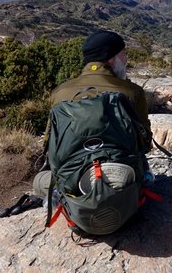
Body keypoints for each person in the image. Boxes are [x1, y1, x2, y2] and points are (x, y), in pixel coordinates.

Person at [31, 30, 153, 200]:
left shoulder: (59, 93)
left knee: (39, 181)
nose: (126, 59)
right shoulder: (132, 92)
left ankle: (68, 196)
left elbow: (49, 143)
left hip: (72, 181)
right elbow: (145, 144)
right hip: (122, 180)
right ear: (112, 58)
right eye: (123, 54)